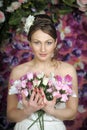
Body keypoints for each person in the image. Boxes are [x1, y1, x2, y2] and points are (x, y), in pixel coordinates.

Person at [7, 14, 78, 130]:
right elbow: (10, 115)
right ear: (29, 42)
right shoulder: (18, 72)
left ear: (55, 43)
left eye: (48, 42)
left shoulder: (68, 71)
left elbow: (72, 113)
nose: (43, 49)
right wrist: (27, 110)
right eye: (37, 42)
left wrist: (52, 110)